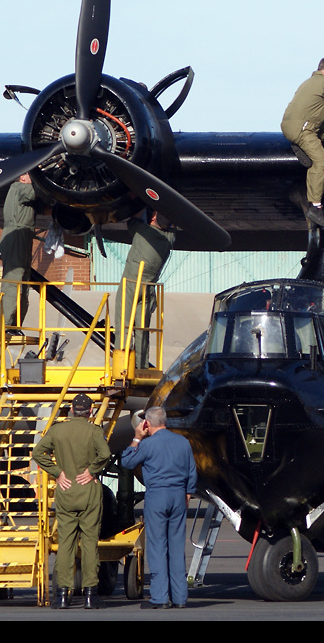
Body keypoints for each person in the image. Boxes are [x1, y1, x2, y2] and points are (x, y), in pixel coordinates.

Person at [32, 393, 111, 610]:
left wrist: (57, 473)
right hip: (88, 492)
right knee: (88, 544)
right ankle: (90, 595)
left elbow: (38, 453)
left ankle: (62, 596)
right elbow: (104, 453)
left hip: (66, 491)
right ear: (90, 411)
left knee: (65, 544)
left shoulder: (58, 430)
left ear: (71, 410)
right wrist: (92, 470)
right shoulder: (94, 431)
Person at [120, 406, 197, 609]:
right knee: (176, 547)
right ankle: (180, 598)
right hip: (179, 495)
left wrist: (137, 437)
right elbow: (191, 471)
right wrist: (187, 494)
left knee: (157, 547)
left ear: (147, 423)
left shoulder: (148, 444)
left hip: (158, 495)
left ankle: (160, 597)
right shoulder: (183, 442)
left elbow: (127, 461)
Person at [281, 57, 324, 228]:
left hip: (289, 126)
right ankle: (315, 206)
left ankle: (301, 147)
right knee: (321, 163)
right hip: (302, 130)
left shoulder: (308, 82)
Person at [114, 209, 174, 368]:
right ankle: (141, 367)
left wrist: (141, 202)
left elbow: (132, 219)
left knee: (124, 326)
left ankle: (121, 367)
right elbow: (171, 228)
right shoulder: (169, 240)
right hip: (149, 289)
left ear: (153, 217)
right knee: (142, 330)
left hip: (131, 285)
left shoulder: (142, 231)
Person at [0, 173, 38, 332]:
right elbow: (39, 192)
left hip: (23, 234)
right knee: (14, 277)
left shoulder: (23, 193)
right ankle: (6, 323)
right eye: (31, 174)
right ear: (22, 177)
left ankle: (14, 323)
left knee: (23, 279)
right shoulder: (20, 188)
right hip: (17, 234)